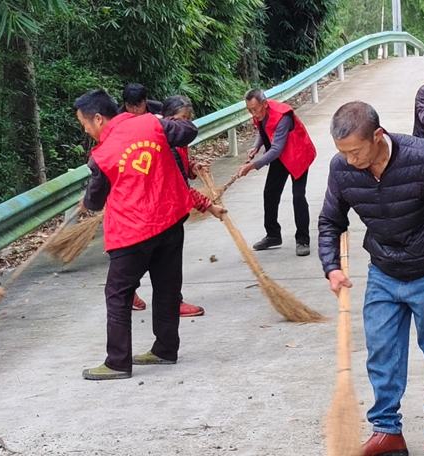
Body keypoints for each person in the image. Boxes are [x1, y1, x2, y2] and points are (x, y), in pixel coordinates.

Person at [319, 101, 424, 455]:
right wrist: (331, 266)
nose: (350, 160)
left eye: (356, 151)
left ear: (378, 136)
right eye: (343, 153)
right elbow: (331, 221)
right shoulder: (342, 169)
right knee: (382, 353)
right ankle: (387, 430)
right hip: (384, 272)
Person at [74, 89, 224, 381]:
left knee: (117, 294)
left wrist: (87, 201)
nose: (85, 129)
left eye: (85, 123)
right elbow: (188, 130)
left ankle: (118, 362)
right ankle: (165, 349)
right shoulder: (152, 124)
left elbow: (95, 200)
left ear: (98, 118)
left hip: (133, 231)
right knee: (167, 287)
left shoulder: (102, 155)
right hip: (169, 220)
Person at [130, 95, 214, 317]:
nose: (186, 124)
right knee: (160, 261)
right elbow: (179, 187)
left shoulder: (178, 141)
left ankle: (134, 293)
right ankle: (171, 303)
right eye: (181, 118)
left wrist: (193, 166)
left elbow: (183, 173)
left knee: (153, 260)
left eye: (189, 118)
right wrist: (209, 206)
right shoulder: (165, 145)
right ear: (167, 119)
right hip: (157, 212)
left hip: (163, 211)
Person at [237, 89, 316, 257]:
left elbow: (276, 149)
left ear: (265, 104)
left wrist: (252, 165)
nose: (253, 113)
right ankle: (273, 235)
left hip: (297, 155)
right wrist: (256, 146)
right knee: (270, 193)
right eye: (249, 110)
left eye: (255, 109)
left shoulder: (283, 116)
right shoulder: (260, 112)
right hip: (280, 158)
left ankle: (302, 239)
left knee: (298, 196)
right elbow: (263, 129)